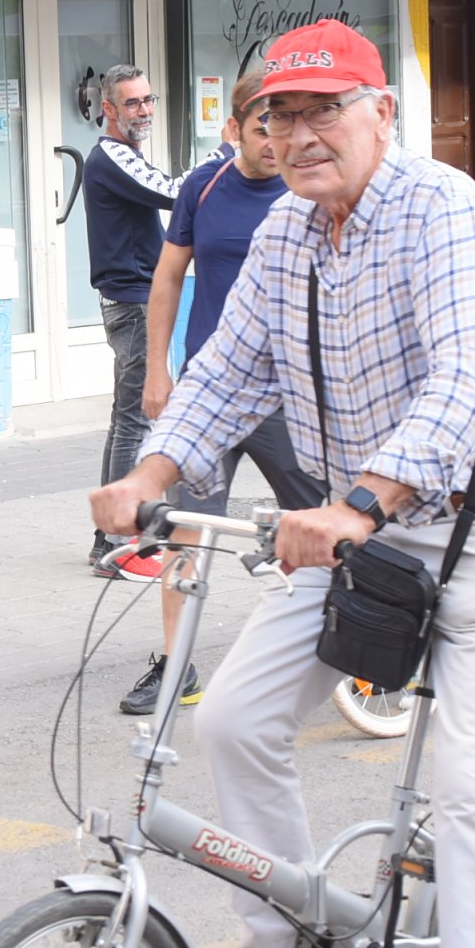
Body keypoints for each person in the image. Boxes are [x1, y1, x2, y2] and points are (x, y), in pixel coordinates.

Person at [91, 18, 475, 948]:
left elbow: (463, 376)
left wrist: (359, 498)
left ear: (379, 114)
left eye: (323, 110)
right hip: (364, 526)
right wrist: (148, 474)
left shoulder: (443, 207)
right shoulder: (291, 231)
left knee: (465, 780)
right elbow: (228, 367)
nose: (300, 135)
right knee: (236, 716)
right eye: (279, 116)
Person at [123, 69, 327, 716]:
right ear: (233, 126)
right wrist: (158, 369)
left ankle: (359, 650)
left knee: (324, 528)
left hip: (291, 399)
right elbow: (167, 278)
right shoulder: (203, 187)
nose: (279, 137)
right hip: (214, 394)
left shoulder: (310, 191)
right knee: (186, 528)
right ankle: (176, 664)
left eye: (290, 120)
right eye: (266, 122)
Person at [85, 63, 179, 584]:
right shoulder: (111, 157)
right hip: (136, 302)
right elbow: (172, 191)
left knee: (127, 418)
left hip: (136, 300)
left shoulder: (125, 155)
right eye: (133, 103)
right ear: (109, 109)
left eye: (148, 100)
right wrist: (224, 155)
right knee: (137, 419)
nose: (143, 110)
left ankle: (110, 537)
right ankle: (120, 545)